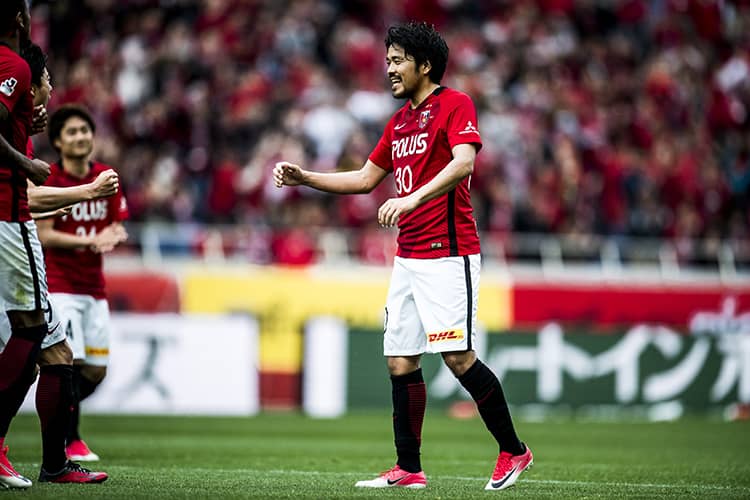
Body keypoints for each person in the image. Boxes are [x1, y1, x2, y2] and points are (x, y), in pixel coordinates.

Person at [274, 22, 533, 491]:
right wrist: (305, 178)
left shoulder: (456, 104)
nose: (389, 69)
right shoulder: (398, 123)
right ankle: (409, 468)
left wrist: (412, 198)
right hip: (408, 257)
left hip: (448, 253)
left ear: (425, 65)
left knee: (458, 357)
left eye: (397, 60)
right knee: (400, 360)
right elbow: (364, 179)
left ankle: (514, 451)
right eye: (388, 60)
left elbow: (464, 163)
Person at [0, 3, 107, 487]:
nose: (50, 88)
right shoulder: (14, 67)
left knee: (54, 354)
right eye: (48, 80)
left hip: (13, 225)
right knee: (38, 341)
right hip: (10, 227)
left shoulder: (19, 127)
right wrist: (86, 192)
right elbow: (27, 194)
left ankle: (53, 464)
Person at [37, 104, 128, 462]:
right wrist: (90, 241)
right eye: (72, 132)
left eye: (85, 130)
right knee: (69, 364)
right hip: (61, 285)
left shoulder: (106, 176)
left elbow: (117, 223)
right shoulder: (51, 179)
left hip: (94, 287)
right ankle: (70, 440)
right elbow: (44, 234)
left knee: (96, 371)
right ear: (58, 141)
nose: (80, 137)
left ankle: (58, 420)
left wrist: (114, 234)